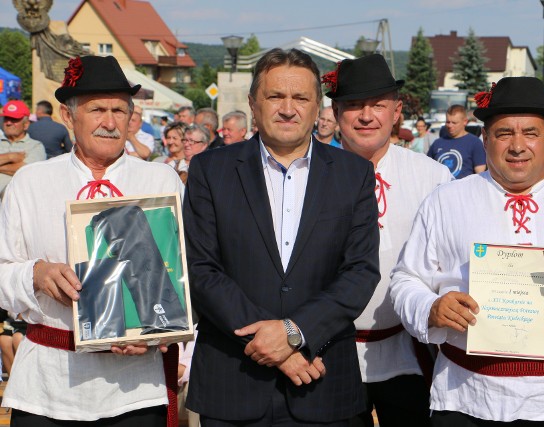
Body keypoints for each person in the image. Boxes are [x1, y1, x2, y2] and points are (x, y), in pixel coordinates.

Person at [389, 76, 544, 426]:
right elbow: (406, 279)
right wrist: (431, 307)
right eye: (504, 133)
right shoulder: (446, 202)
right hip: (465, 396)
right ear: (485, 138)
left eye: (532, 133)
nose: (518, 146)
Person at [183, 48, 380, 426]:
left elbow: (360, 271)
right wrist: (278, 346)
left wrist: (295, 332)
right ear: (253, 104)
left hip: (321, 380)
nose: (288, 108)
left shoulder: (353, 174)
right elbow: (201, 268)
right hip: (233, 379)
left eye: (301, 98)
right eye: (275, 96)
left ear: (317, 107)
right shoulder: (211, 169)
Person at [0, 55, 184, 426]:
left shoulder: (161, 181)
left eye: (120, 110)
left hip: (136, 387)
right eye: (97, 108)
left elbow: (187, 275)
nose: (110, 122)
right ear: (68, 118)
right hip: (49, 384)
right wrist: (36, 274)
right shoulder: (31, 182)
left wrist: (159, 335)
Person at [325, 53, 452, 427]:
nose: (367, 116)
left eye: (377, 105)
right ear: (335, 111)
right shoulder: (311, 176)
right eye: (353, 105)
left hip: (411, 352)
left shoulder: (433, 177)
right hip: (331, 354)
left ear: (396, 112)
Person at [0, 100, 46, 195]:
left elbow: (27, 171)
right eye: (6, 118)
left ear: (26, 125)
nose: (8, 123)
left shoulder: (35, 146)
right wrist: (11, 157)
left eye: (14, 119)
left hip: (16, 204)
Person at [427, 104, 486, 178]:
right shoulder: (437, 143)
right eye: (448, 122)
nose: (450, 126)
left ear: (465, 122)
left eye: (454, 123)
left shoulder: (475, 142)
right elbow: (427, 169)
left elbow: (480, 175)